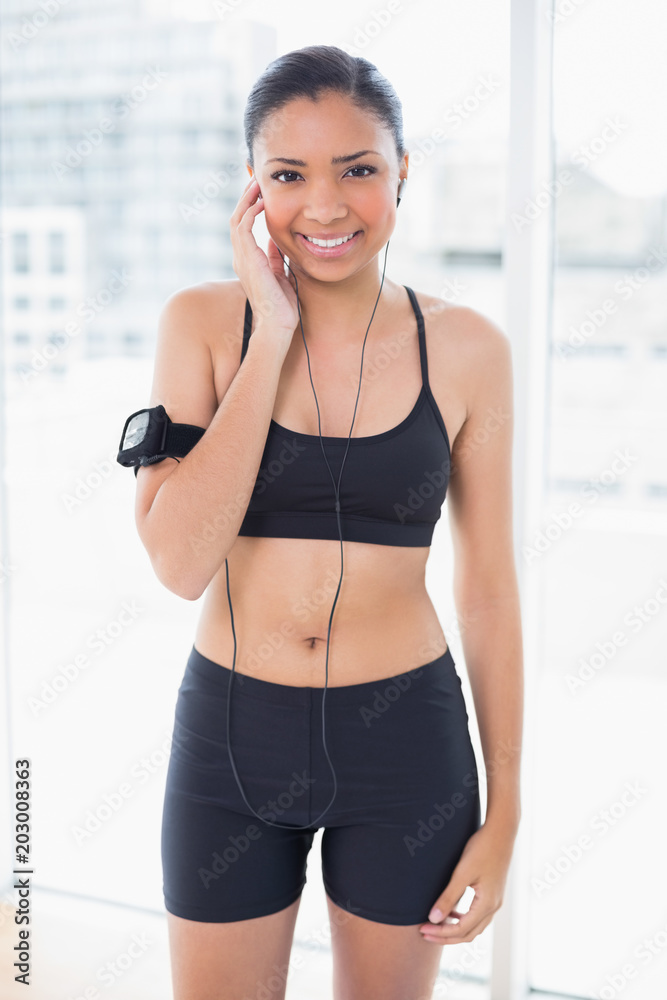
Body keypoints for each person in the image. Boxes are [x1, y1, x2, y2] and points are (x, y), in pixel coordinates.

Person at [132, 44, 523, 1000]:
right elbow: (181, 564)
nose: (324, 205)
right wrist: (271, 333)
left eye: (358, 169)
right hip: (232, 738)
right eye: (287, 175)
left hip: (406, 750)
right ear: (252, 190)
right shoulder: (202, 325)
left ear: (400, 173)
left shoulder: (467, 348)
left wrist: (504, 810)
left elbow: (487, 590)